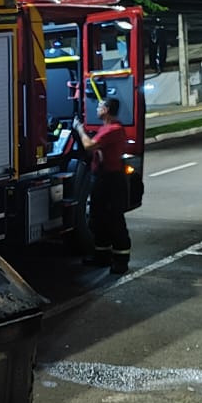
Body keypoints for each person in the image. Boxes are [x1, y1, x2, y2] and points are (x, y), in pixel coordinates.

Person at [74, 97, 131, 274]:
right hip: (102, 179)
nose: (96, 109)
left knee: (114, 220)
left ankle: (121, 261)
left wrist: (79, 130)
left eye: (99, 106)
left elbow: (89, 146)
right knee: (98, 219)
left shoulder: (113, 130)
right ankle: (102, 256)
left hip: (111, 180)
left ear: (106, 109)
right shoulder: (106, 129)